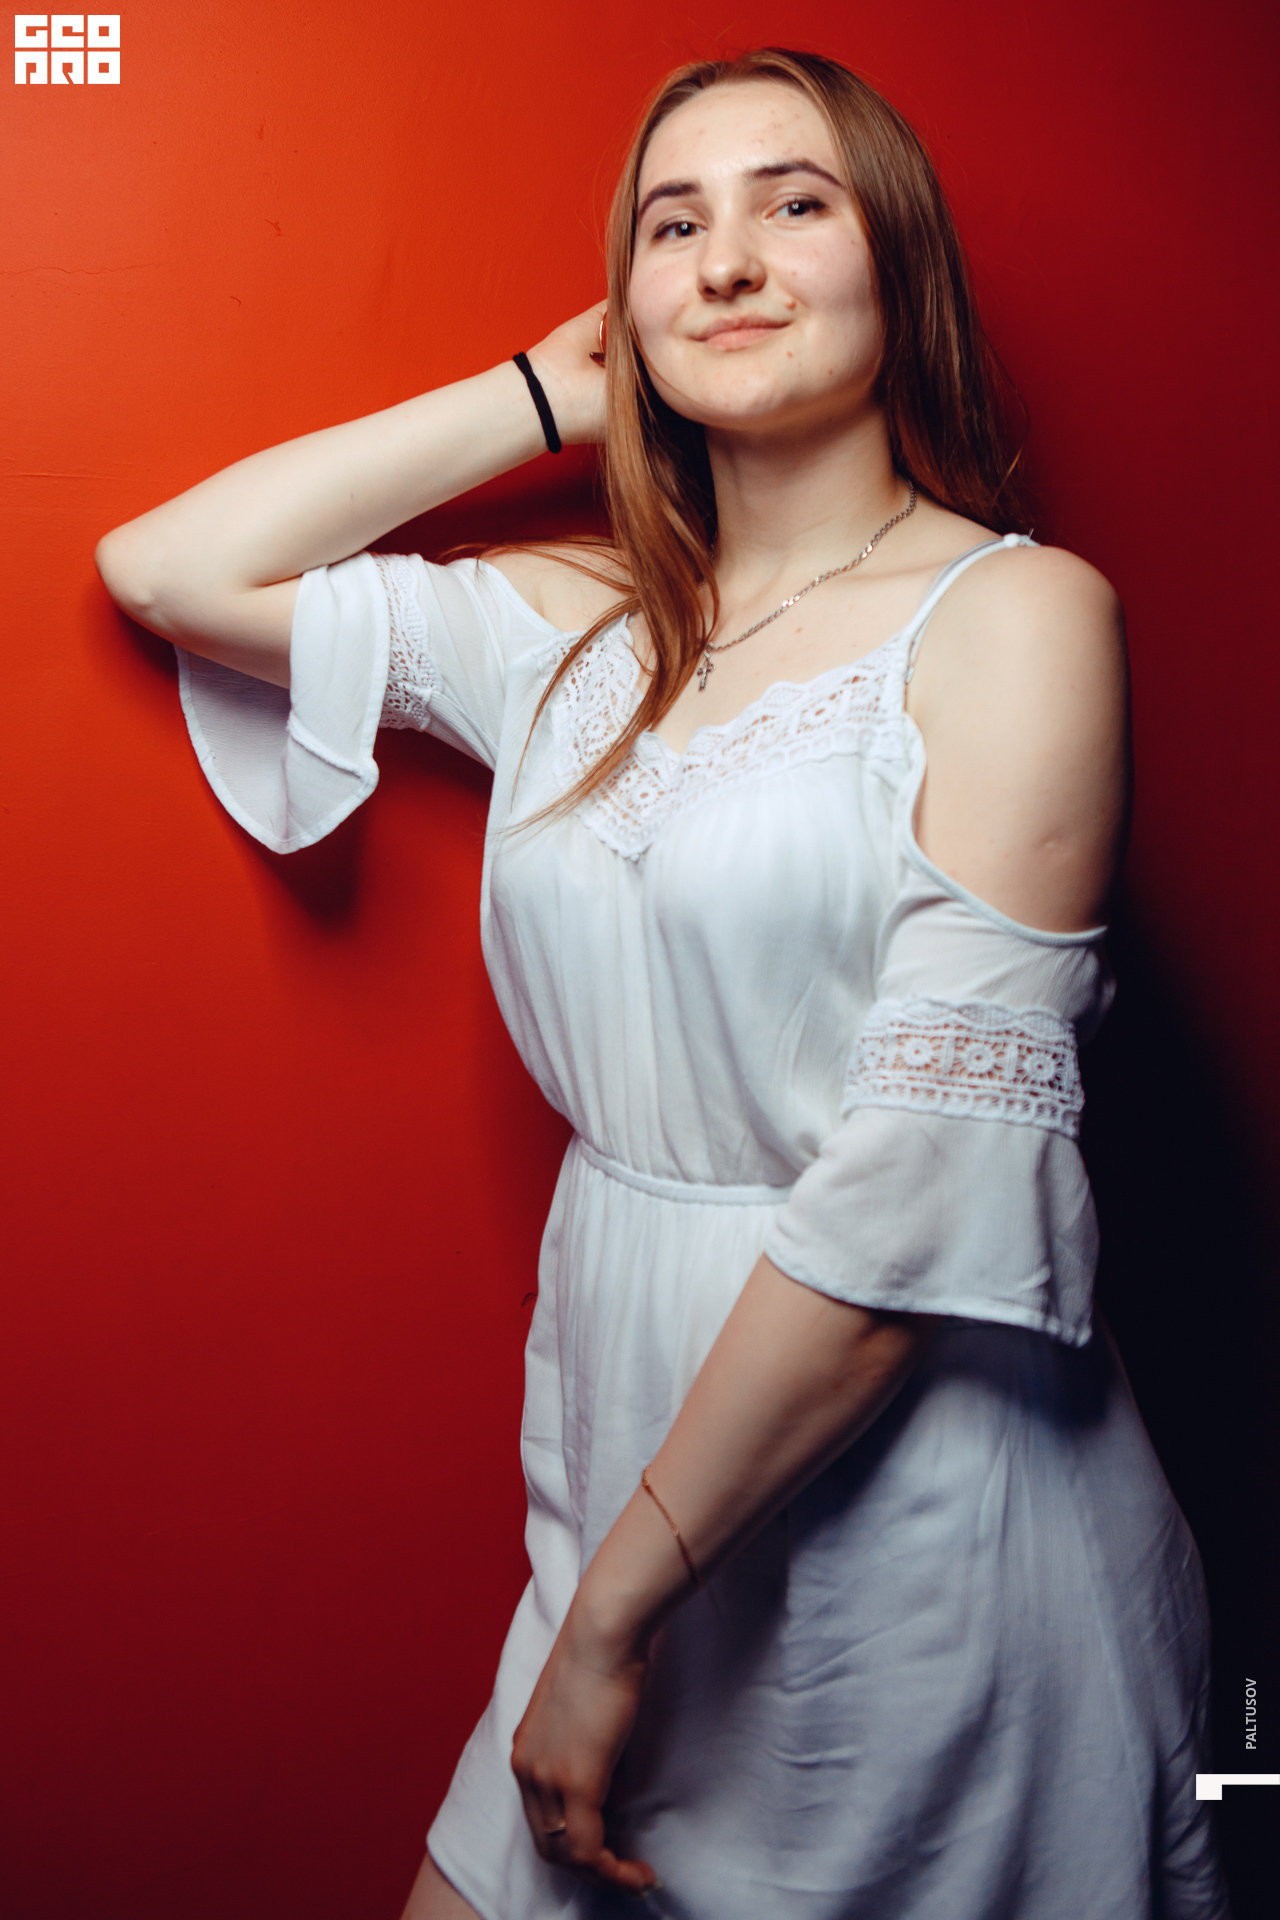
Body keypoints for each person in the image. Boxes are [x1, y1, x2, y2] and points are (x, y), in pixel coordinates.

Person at [93, 46, 1230, 1920]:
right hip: (616, 1436)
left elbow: (934, 1174)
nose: (729, 260)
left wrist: (612, 1618)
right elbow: (169, 566)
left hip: (926, 1512)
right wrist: (540, 392)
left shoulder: (1020, 617)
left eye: (797, 203)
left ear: (900, 263)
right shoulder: (572, 629)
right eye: (671, 225)